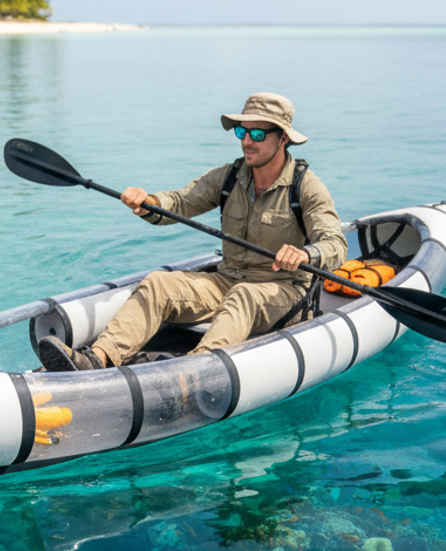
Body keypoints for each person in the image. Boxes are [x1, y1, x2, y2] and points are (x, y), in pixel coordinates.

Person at [37, 92, 349, 372]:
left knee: (243, 296)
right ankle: (95, 360)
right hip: (228, 280)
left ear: (283, 138)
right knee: (159, 283)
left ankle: (193, 373)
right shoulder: (228, 177)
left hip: (283, 291)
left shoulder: (306, 186)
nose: (246, 141)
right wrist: (150, 203)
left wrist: (305, 253)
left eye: (257, 133)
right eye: (242, 132)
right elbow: (181, 201)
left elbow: (335, 244)